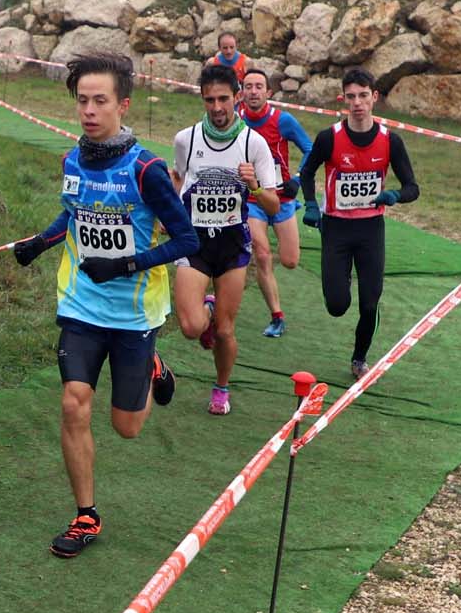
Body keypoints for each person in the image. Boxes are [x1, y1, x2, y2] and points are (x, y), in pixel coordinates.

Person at [11, 53, 197, 556]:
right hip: (81, 304)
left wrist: (126, 265)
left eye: (100, 101)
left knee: (127, 427)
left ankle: (154, 362)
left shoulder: (147, 170)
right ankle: (86, 516)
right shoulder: (73, 158)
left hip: (133, 312)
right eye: (82, 101)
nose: (88, 111)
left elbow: (186, 241)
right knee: (74, 402)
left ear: (123, 104)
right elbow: (71, 214)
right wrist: (41, 242)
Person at [297, 67, 421, 380]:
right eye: (351, 97)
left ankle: (359, 357)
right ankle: (342, 280)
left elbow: (413, 188)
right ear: (344, 100)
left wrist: (393, 195)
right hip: (336, 228)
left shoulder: (390, 141)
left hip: (370, 229)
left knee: (369, 303)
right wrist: (311, 204)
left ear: (374, 98)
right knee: (337, 305)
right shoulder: (329, 138)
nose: (357, 103)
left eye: (363, 96)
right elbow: (308, 171)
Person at [169, 64, 279, 416]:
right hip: (195, 243)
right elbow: (178, 179)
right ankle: (209, 308)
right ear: (202, 100)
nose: (217, 107)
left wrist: (254, 187)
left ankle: (221, 387)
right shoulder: (186, 139)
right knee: (190, 327)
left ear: (237, 98)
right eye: (209, 100)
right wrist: (169, 216)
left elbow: (273, 204)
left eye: (223, 99)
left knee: (225, 332)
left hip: (232, 246)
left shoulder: (254, 143)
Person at [238, 66, 313, 338]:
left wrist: (297, 178)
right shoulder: (235, 118)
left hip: (282, 198)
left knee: (291, 260)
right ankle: (277, 316)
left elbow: (310, 149)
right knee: (262, 254)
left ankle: (294, 211)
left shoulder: (283, 120)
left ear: (269, 92)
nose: (254, 91)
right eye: (248, 86)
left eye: (259, 86)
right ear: (242, 91)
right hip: (253, 198)